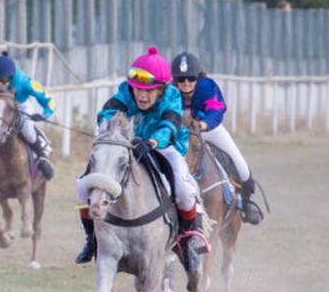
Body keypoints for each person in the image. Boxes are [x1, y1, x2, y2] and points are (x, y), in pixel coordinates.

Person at [74, 46, 204, 272]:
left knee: (183, 188)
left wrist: (153, 142)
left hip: (165, 146)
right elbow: (106, 113)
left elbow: (170, 124)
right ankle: (91, 238)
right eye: (138, 90)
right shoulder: (125, 91)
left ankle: (188, 239)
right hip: (128, 144)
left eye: (149, 91)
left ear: (162, 89)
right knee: (83, 182)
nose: (142, 96)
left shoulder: (172, 95)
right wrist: (112, 131)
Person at [171, 51, 263, 224]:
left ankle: (246, 203)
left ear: (198, 77)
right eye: (180, 79)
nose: (186, 83)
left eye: (190, 78)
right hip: (182, 133)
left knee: (242, 166)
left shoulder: (207, 86)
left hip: (209, 130)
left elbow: (216, 109)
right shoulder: (170, 91)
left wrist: (205, 124)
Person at [0, 50, 56, 182]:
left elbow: (47, 98)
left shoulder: (23, 80)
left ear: (12, 76)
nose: (1, 82)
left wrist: (45, 114)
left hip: (21, 106)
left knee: (29, 131)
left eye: (5, 79)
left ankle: (43, 158)